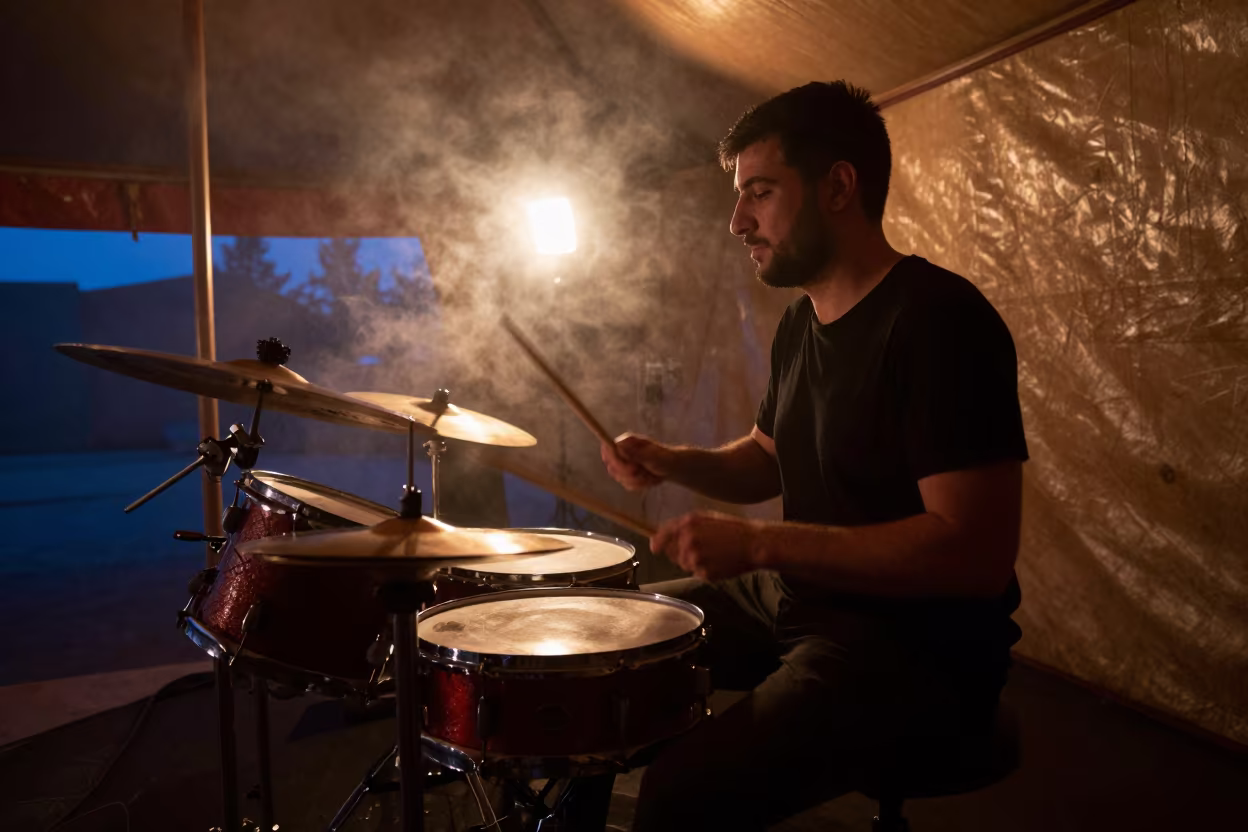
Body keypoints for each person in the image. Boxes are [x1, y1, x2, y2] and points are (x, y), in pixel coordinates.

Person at [600, 81, 1028, 830]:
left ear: (837, 187)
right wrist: (674, 460)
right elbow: (767, 458)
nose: (738, 220)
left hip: (914, 646)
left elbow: (973, 554)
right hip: (804, 597)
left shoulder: (939, 322)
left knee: (679, 795)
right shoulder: (801, 324)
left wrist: (760, 542)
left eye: (760, 192)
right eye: (740, 196)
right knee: (604, 654)